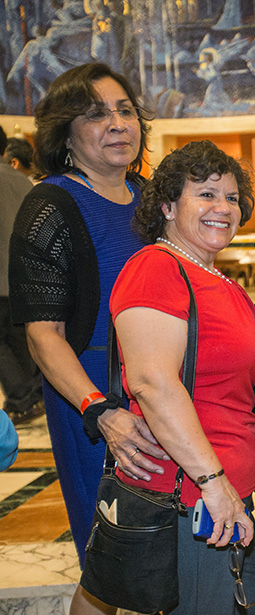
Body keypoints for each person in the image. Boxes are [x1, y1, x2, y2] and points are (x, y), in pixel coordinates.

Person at [8, 63, 163, 615]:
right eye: (97, 113)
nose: (118, 123)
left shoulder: (152, 198)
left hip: (164, 391)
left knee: (166, 551)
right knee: (110, 561)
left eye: (125, 110)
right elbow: (43, 335)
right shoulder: (50, 205)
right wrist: (100, 410)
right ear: (65, 132)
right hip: (93, 402)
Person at [109, 140, 255, 613]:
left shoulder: (220, 283)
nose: (223, 208)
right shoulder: (157, 269)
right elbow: (153, 383)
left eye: (233, 198)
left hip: (222, 498)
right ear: (168, 206)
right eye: (206, 194)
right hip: (190, 502)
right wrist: (214, 483)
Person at [0, 126, 42, 425]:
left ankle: (21, 399)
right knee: (20, 340)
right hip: (25, 281)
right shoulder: (24, 183)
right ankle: (32, 396)